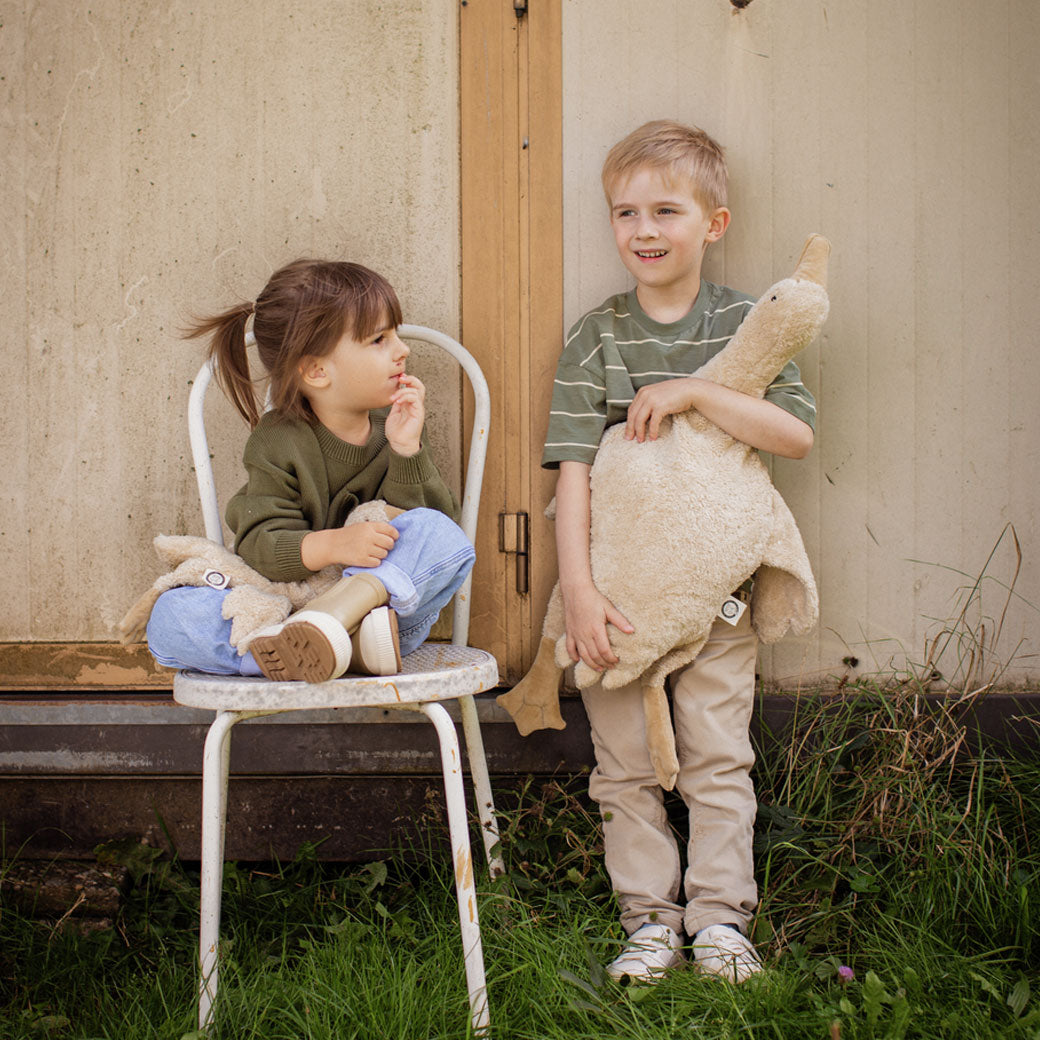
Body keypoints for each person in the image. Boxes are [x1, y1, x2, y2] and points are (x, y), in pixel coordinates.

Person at [542, 121, 816, 983]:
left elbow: (796, 436)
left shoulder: (747, 326)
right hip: (617, 596)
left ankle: (722, 922)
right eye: (626, 213)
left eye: (667, 210)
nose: (645, 230)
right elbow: (573, 472)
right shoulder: (597, 337)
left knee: (716, 756)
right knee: (622, 765)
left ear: (714, 223)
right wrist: (578, 594)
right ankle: (649, 923)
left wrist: (696, 389)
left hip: (719, 597)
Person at [146, 259, 475, 682]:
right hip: (285, 610)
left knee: (443, 533)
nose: (402, 349)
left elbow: (423, 526)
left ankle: (337, 630)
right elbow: (259, 544)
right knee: (171, 616)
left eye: (395, 334)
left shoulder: (395, 424)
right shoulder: (278, 440)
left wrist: (407, 449)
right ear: (317, 371)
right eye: (379, 339)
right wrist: (335, 545)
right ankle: (285, 655)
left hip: (380, 621)